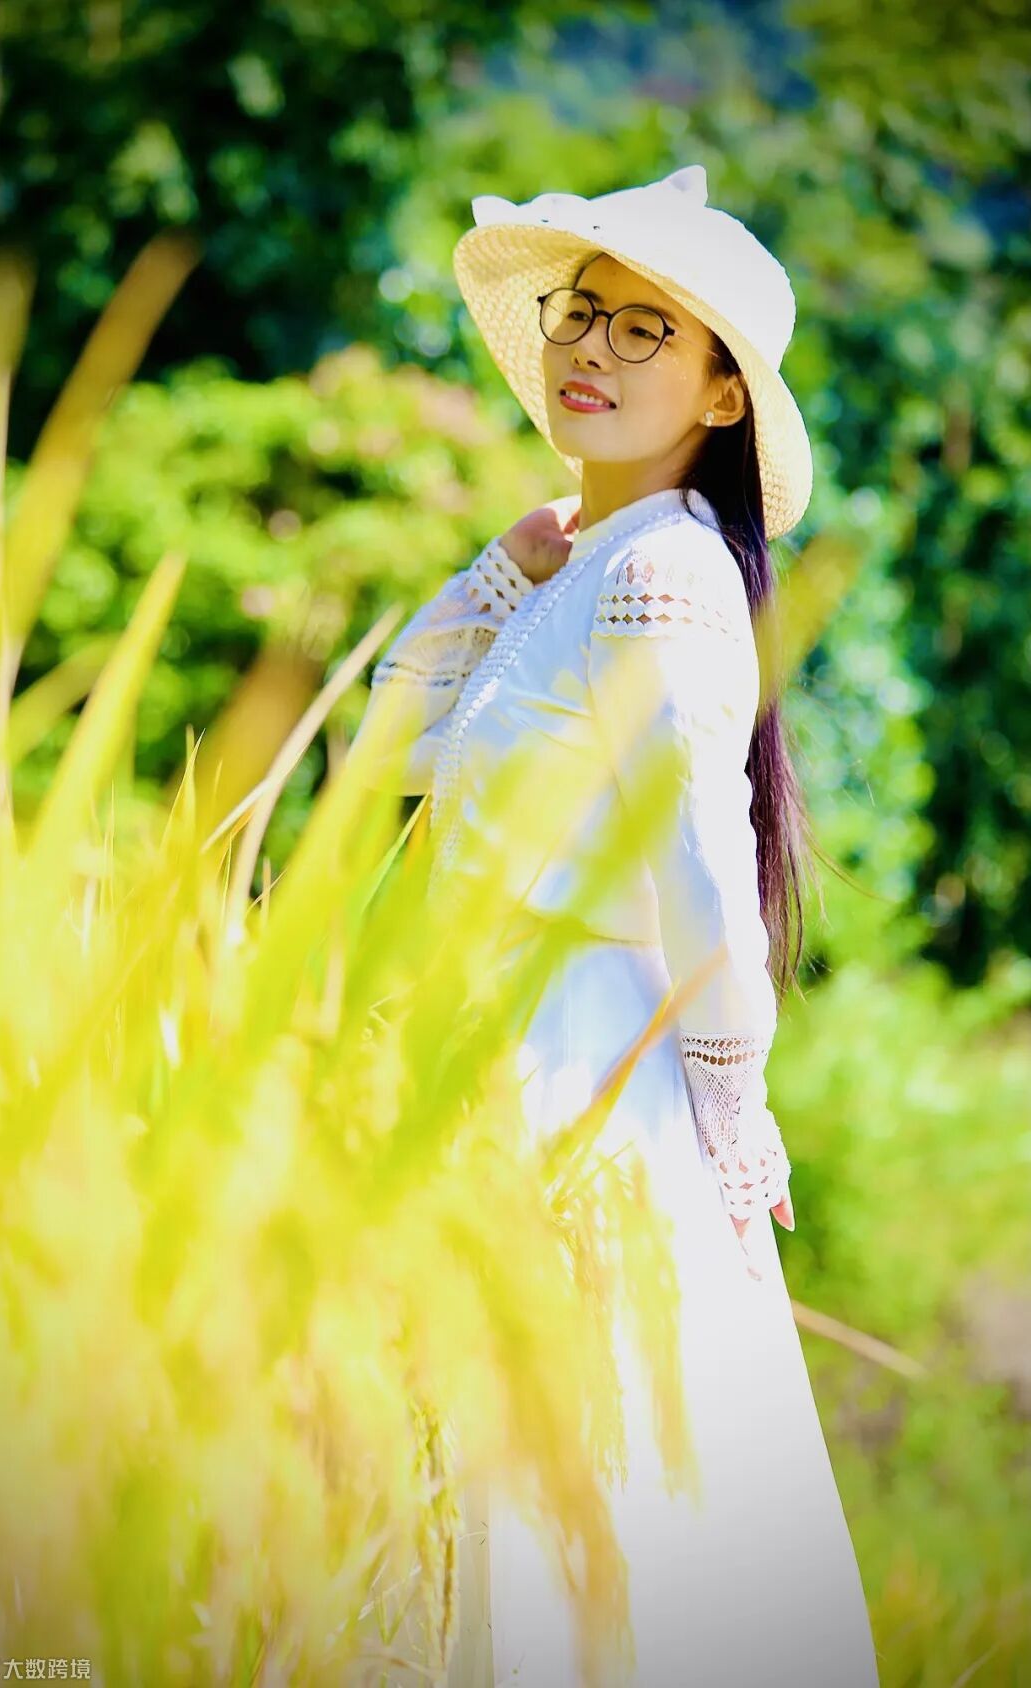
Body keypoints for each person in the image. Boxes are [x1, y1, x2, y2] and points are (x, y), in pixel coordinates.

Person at [350, 164, 880, 1687]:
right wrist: (498, 568)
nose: (592, 347)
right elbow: (378, 758)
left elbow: (700, 857)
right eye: (580, 314)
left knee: (591, 1486)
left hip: (590, 1073)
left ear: (723, 394)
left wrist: (730, 1104)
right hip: (510, 1055)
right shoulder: (588, 567)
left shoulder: (662, 578)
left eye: (647, 329)